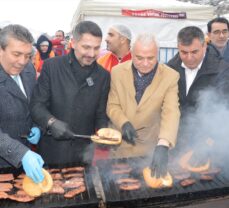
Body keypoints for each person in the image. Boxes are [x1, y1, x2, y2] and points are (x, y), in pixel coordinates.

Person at [30, 21, 110, 166]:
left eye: (96, 48)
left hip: (83, 153)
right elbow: (37, 105)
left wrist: (106, 134)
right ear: (73, 43)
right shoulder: (52, 67)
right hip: (51, 150)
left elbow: (100, 114)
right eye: (86, 47)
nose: (91, 54)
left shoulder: (103, 76)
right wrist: (51, 122)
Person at [107, 33, 180, 178]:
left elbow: (171, 111)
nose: (145, 63)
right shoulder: (117, 72)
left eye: (151, 58)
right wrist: (124, 123)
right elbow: (112, 105)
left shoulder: (171, 76)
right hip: (120, 149)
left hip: (150, 151)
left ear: (157, 55)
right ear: (131, 54)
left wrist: (164, 143)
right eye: (139, 58)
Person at [167, 26, 229, 165]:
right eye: (184, 52)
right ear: (178, 48)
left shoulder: (222, 70)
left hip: (208, 142)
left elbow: (223, 109)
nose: (189, 58)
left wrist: (208, 141)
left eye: (194, 52)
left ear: (204, 46)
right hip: (177, 140)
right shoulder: (170, 69)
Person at [0, 24, 44, 183]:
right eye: (17, 54)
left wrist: (36, 125)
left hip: (27, 159)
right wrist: (22, 154)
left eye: (27, 55)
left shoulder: (29, 70)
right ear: (1, 49)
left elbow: (33, 103)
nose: (22, 61)